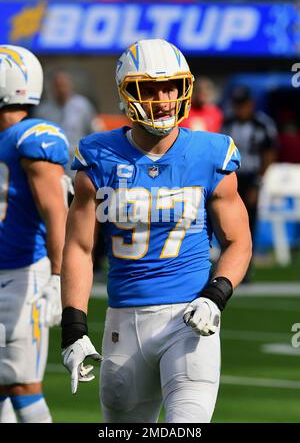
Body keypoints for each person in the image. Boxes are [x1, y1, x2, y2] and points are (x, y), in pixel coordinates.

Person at [61, 39, 252, 423]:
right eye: (149, 88)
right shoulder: (97, 157)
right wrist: (73, 327)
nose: (163, 98)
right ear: (127, 93)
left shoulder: (209, 154)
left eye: (170, 87)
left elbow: (238, 241)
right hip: (123, 323)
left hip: (190, 319)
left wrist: (215, 297)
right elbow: (80, 247)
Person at [0, 45, 69, 423]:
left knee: (21, 382)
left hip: (22, 274)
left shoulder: (32, 138)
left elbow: (55, 211)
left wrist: (59, 277)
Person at [222, 85, 278, 279]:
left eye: (243, 104)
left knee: (249, 223)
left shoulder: (262, 124)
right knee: (224, 223)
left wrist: (258, 182)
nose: (240, 109)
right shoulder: (228, 123)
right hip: (230, 178)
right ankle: (226, 266)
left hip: (251, 177)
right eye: (237, 105)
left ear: (251, 104)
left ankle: (245, 268)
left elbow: (269, 153)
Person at [35, 70, 96, 179]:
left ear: (70, 85)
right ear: (52, 88)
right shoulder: (42, 111)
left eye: (64, 84)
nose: (61, 89)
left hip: (78, 166)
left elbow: (93, 133)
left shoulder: (83, 105)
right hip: (53, 167)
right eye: (58, 85)